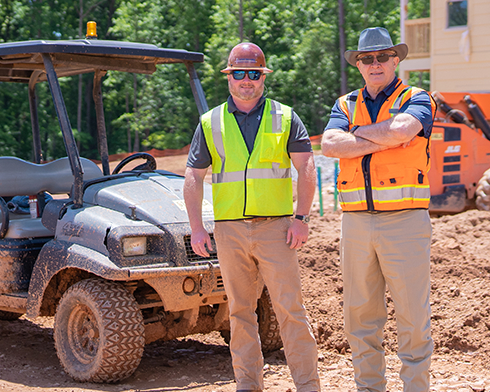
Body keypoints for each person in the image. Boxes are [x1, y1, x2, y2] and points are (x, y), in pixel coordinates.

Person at [183, 42, 321, 392]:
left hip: (277, 229)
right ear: (229, 77)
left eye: (254, 74)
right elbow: (194, 177)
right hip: (229, 232)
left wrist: (301, 218)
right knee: (240, 313)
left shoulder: (285, 116)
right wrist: (197, 228)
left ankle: (308, 386)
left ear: (263, 77)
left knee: (290, 310)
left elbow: (306, 166)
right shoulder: (210, 121)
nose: (247, 81)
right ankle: (248, 385)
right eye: (240, 73)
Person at [321, 27, 436, 392]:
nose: (375, 64)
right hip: (355, 223)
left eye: (383, 57)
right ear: (358, 64)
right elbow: (329, 144)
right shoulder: (345, 104)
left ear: (396, 60)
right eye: (367, 58)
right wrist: (382, 139)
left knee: (412, 317)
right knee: (360, 316)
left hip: (405, 221)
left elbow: (403, 129)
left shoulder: (417, 97)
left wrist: (357, 137)